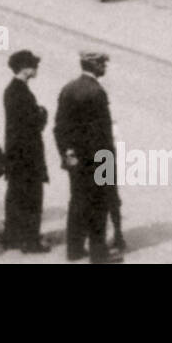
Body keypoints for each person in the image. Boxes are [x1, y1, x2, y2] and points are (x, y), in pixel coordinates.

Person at [54, 51, 121, 263]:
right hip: (98, 159)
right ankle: (99, 254)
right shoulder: (97, 92)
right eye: (102, 63)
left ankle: (73, 249)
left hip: (76, 159)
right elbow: (103, 132)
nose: (105, 67)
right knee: (98, 206)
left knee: (77, 203)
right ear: (93, 65)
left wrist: (66, 153)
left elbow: (59, 127)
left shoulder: (68, 88)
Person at [2, 50, 49, 253]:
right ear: (25, 68)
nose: (36, 69)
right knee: (31, 197)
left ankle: (13, 236)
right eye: (33, 65)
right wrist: (42, 114)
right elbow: (31, 123)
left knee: (15, 195)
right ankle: (31, 241)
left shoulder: (12, 89)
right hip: (27, 153)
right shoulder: (20, 91)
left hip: (15, 152)